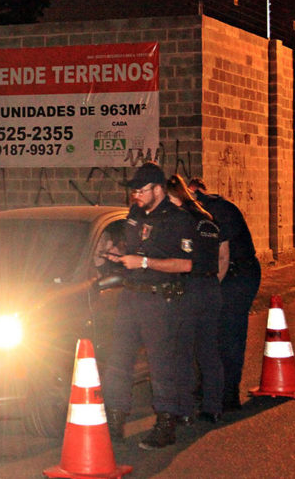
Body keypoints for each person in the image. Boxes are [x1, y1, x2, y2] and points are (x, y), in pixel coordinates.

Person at [102, 162, 195, 450]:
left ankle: (166, 424)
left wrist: (144, 262)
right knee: (118, 360)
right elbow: (132, 247)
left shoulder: (178, 219)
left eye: (141, 190)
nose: (136, 196)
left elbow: (185, 264)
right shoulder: (135, 214)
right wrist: (117, 253)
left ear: (158, 189)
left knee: (161, 364)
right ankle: (114, 420)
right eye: (133, 191)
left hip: (159, 299)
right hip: (130, 296)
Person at [188, 177, 261, 411]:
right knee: (211, 334)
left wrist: (210, 289)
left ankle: (229, 394)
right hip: (224, 274)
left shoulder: (220, 211)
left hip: (239, 275)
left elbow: (223, 257)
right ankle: (212, 387)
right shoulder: (200, 212)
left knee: (230, 334)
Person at [165, 175, 223, 424]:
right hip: (210, 288)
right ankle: (213, 407)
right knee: (208, 351)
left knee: (183, 353)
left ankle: (185, 410)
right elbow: (221, 255)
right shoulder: (208, 219)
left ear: (174, 197)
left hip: (189, 288)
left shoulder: (182, 220)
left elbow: (179, 258)